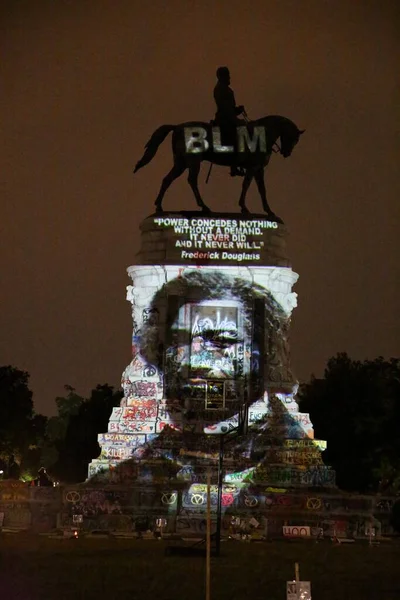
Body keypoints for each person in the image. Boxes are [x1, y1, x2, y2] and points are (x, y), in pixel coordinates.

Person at [213, 66, 246, 177]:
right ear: (222, 76)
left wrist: (237, 110)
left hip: (228, 117)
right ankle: (234, 165)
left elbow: (229, 108)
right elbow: (225, 109)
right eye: (227, 75)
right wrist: (236, 119)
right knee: (239, 134)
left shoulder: (225, 89)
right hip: (224, 120)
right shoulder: (220, 89)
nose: (229, 77)